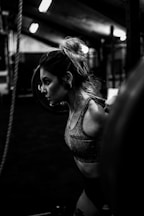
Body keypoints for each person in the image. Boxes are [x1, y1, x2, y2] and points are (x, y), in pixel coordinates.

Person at [37, 36, 108, 216]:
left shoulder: (93, 113)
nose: (42, 89)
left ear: (67, 78)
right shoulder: (69, 105)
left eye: (47, 82)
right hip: (90, 189)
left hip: (108, 193)